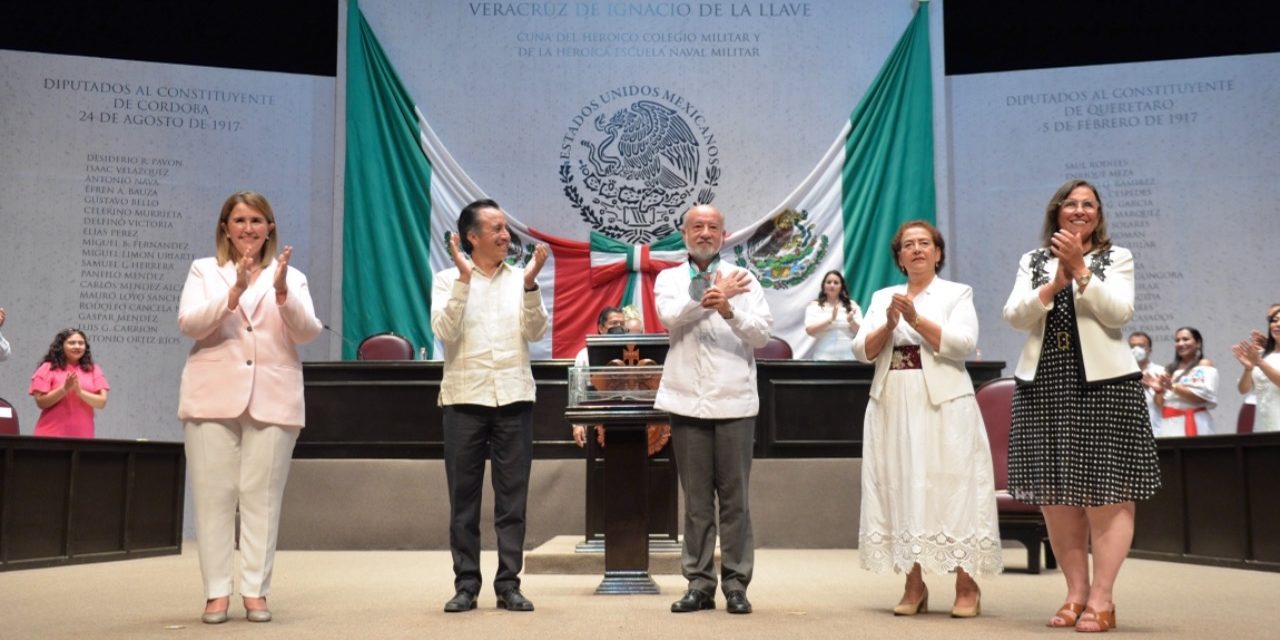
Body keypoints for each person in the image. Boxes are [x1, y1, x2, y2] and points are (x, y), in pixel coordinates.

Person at [1003, 179, 1160, 633]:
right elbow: (1015, 316)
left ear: (1098, 214)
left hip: (1105, 386)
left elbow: (1118, 314)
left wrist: (1081, 269)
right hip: (1044, 384)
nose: (1079, 210)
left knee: (1107, 493)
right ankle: (1074, 593)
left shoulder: (1117, 257)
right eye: (1070, 203)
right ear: (1056, 212)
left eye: (1088, 204)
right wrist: (1055, 282)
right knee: (1055, 495)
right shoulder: (1032, 262)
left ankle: (1102, 598)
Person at [177, 191, 323, 624]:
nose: (248, 228)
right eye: (239, 220)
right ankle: (216, 592)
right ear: (225, 227)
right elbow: (189, 323)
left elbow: (307, 333)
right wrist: (235, 291)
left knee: (261, 499)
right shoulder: (205, 270)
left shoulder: (290, 275)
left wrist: (280, 294)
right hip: (212, 394)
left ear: (270, 228)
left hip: (273, 396)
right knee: (213, 497)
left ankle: (256, 591)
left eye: (257, 220)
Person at [853, 220, 1001, 618]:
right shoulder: (884, 295)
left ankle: (967, 583)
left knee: (953, 484)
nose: (917, 250)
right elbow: (861, 351)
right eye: (908, 245)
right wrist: (889, 322)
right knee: (902, 484)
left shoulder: (957, 293)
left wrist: (916, 320)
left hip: (943, 399)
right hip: (893, 399)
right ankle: (913, 584)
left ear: (938, 253)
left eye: (925, 244)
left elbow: (963, 345)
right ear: (899, 257)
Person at [431, 199, 548, 614]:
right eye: (496, 229)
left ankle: (508, 585)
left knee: (511, 501)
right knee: (464, 500)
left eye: (506, 228)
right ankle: (465, 585)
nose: (505, 236)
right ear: (471, 237)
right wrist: (464, 280)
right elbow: (444, 330)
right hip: (464, 400)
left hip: (514, 399)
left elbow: (535, 330)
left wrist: (532, 285)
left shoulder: (521, 279)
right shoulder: (447, 280)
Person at [654, 204, 772, 615]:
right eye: (697, 226)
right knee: (697, 500)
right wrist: (708, 298)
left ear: (724, 234)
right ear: (684, 233)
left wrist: (729, 307)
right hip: (686, 401)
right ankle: (698, 584)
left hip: (734, 399)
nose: (705, 232)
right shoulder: (669, 278)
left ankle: (736, 584)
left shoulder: (744, 278)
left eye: (713, 227)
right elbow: (670, 318)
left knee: (736, 499)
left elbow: (760, 334)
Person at [29, 328, 109, 437]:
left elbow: (101, 402)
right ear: (61, 346)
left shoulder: (94, 369)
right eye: (72, 343)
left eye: (81, 343)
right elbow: (41, 402)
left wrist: (79, 392)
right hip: (50, 435)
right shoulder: (47, 367)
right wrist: (64, 389)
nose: (77, 346)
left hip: (83, 435)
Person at [572, 306, 625, 448]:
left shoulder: (632, 352)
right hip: (596, 418)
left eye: (622, 324)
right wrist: (578, 424)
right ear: (601, 328)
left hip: (627, 417)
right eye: (614, 324)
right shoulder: (585, 355)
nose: (619, 327)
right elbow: (578, 391)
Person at [1153, 327, 1218, 437]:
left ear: (1198, 343)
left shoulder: (1203, 364)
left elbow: (1200, 397)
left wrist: (1172, 386)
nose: (1180, 343)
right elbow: (1160, 404)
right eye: (1177, 340)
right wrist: (1159, 390)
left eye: (1185, 339)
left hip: (1194, 420)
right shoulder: (1170, 369)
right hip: (1169, 422)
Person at [1232, 309, 1280, 432]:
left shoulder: (1259, 359)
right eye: (1274, 321)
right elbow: (1243, 389)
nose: (1278, 324)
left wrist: (1259, 362)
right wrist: (1248, 368)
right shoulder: (1261, 355)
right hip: (1262, 427)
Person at [805, 269, 862, 360]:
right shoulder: (814, 306)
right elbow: (809, 330)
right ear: (824, 286)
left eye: (836, 283)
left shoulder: (852, 305)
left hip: (849, 357)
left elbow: (861, 332)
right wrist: (831, 319)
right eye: (829, 282)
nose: (832, 285)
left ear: (841, 287)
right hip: (823, 357)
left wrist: (851, 321)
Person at [1129, 331, 1165, 435]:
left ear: (1149, 350)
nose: (1136, 350)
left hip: (1155, 431)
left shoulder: (1160, 372)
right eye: (1132, 346)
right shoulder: (1120, 374)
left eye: (1141, 346)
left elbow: (1163, 405)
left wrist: (1154, 389)